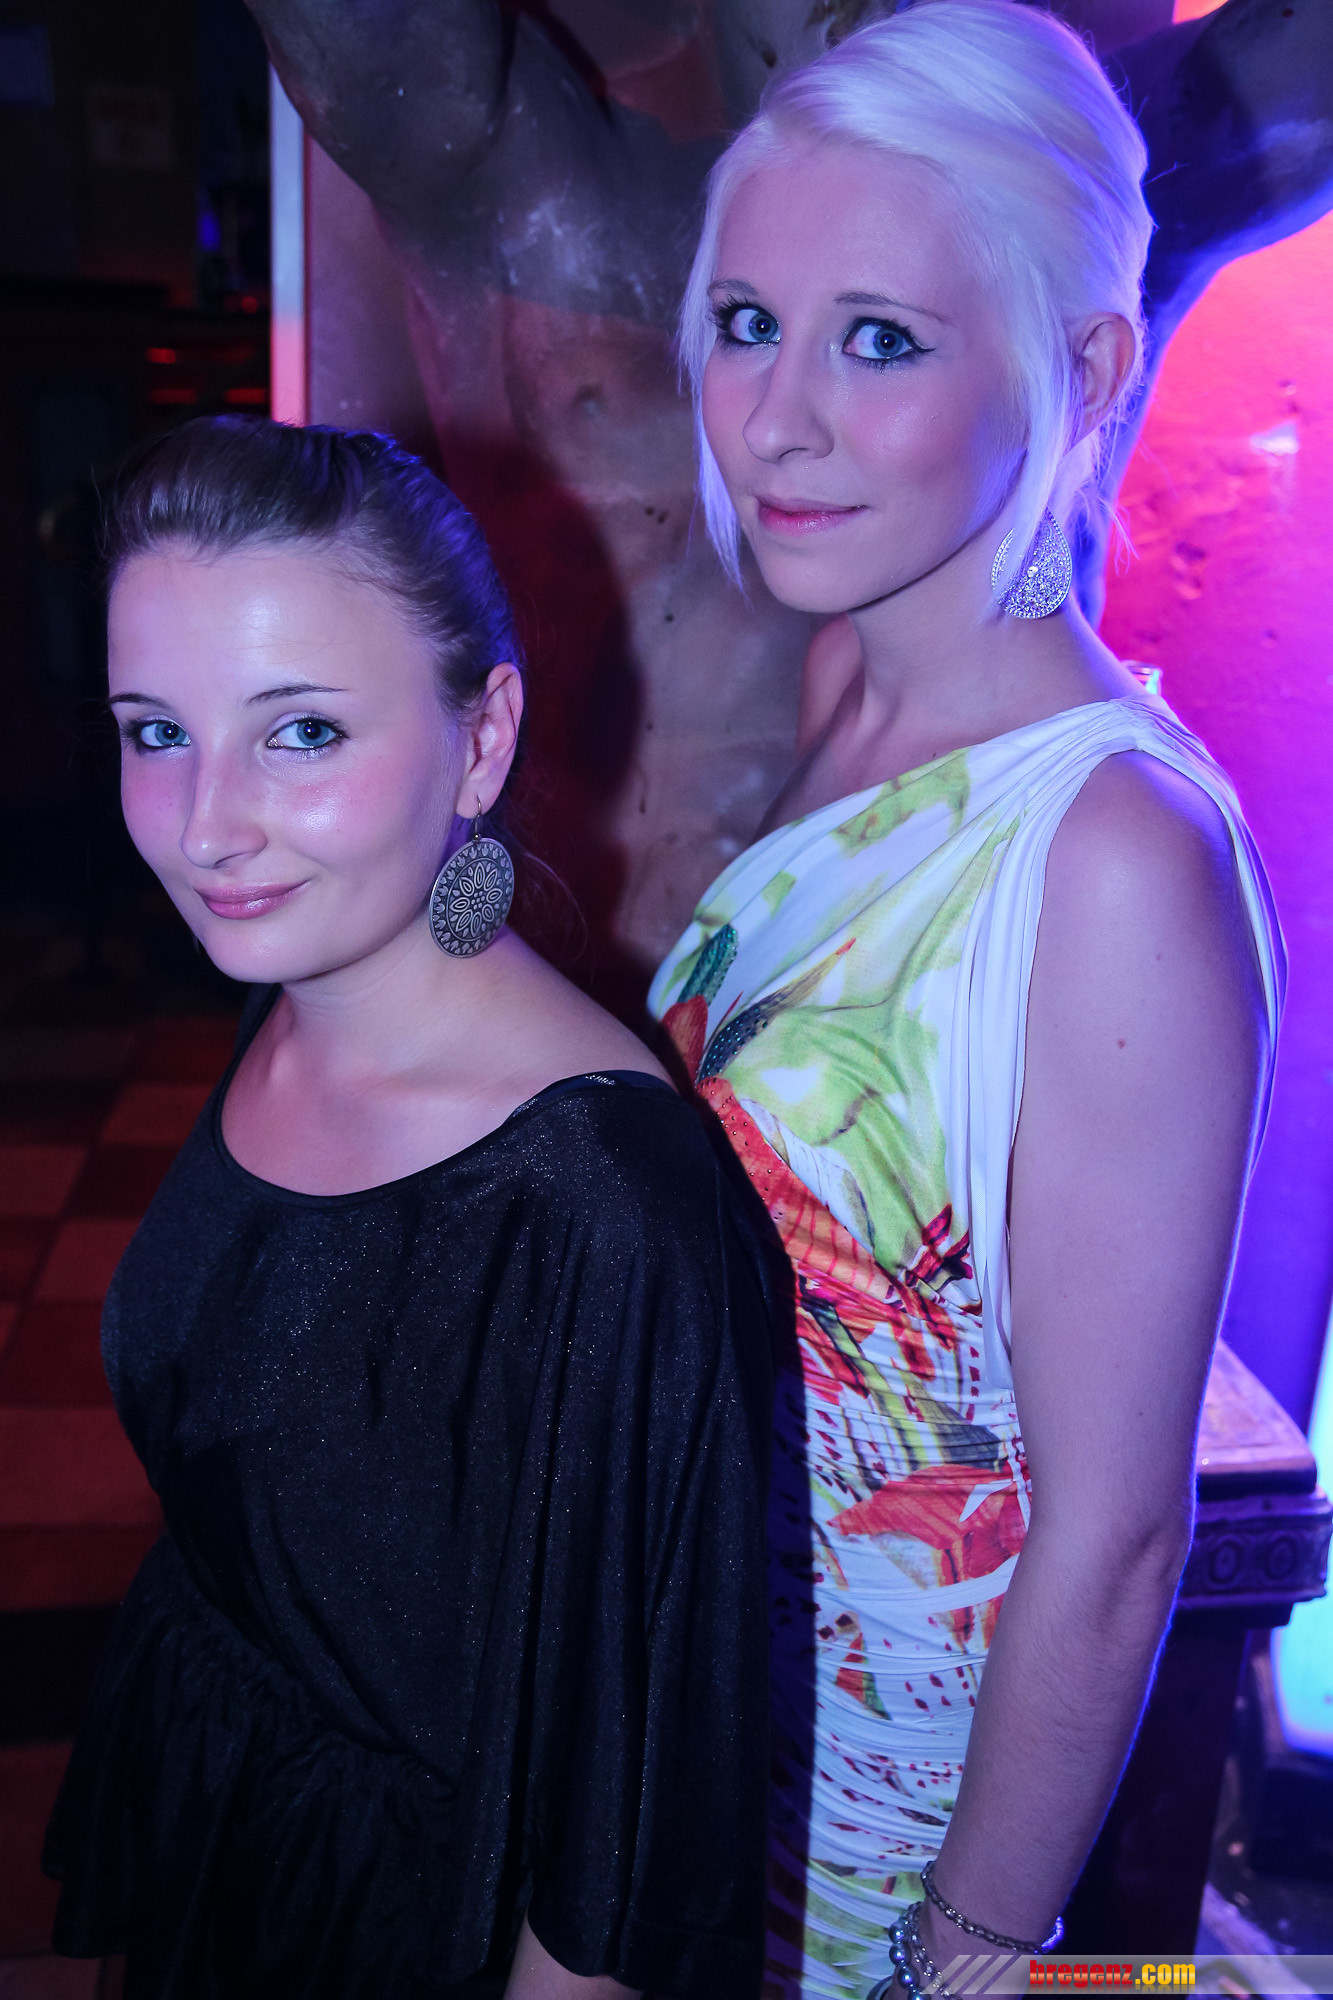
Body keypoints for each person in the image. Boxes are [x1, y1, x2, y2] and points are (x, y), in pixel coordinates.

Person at [649, 5, 1285, 1996]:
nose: (773, 421)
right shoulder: (847, 678)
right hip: (693, 1737)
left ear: (1082, 369)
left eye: (878, 339)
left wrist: (963, 1959)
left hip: (870, 1844)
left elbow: (1115, 1535)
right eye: (745, 323)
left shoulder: (1111, 858)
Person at [44, 416, 776, 2000]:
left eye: (300, 733)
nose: (205, 824)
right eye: (154, 731)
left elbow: (616, 1869)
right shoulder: (297, 997)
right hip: (230, 1848)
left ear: (483, 735)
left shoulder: (594, 1203)